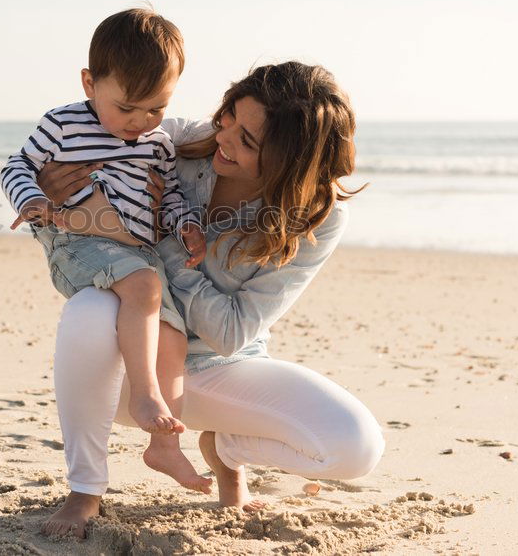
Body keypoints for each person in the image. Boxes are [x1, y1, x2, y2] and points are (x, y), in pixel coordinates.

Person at [38, 61, 386, 539]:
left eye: (248, 140)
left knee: (355, 448)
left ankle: (226, 450)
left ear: (289, 161)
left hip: (225, 370)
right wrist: (50, 195)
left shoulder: (317, 217)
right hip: (132, 378)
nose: (223, 138)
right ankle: (86, 489)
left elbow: (231, 332)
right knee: (89, 309)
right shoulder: (166, 144)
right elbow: (74, 213)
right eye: (228, 118)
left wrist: (165, 239)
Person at [0, 8, 213, 494]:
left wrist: (187, 224)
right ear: (90, 83)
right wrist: (31, 198)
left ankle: (164, 447)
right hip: (78, 241)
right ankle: (144, 396)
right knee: (144, 286)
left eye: (156, 108)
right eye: (127, 108)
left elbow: (173, 194)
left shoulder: (157, 143)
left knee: (173, 336)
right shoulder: (61, 124)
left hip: (138, 251)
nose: (140, 122)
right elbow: (17, 164)